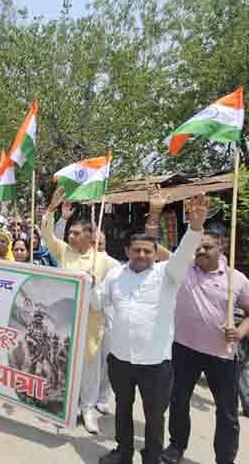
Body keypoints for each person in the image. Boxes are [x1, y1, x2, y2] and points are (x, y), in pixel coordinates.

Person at [138, 190, 249, 464]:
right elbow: (151, 245)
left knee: (227, 413)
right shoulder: (183, 269)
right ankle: (176, 446)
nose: (201, 251)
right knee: (178, 402)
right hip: (183, 349)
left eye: (208, 247)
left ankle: (225, 459)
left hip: (223, 355)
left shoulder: (236, 280)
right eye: (198, 247)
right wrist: (155, 212)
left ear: (222, 247)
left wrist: (240, 332)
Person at [92, 194, 208, 464]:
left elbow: (184, 253)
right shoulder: (114, 275)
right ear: (127, 252)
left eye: (148, 251)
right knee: (122, 408)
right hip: (120, 358)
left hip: (155, 363)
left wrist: (195, 228)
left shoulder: (168, 274)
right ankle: (123, 452)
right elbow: (97, 304)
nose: (142, 255)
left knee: (155, 415)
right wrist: (90, 284)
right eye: (137, 250)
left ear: (156, 254)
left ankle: (152, 456)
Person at [43, 188, 119, 434]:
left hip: (91, 323)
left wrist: (99, 287)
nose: (71, 236)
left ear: (89, 235)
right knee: (66, 365)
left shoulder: (104, 261)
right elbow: (46, 235)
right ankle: (69, 407)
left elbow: (119, 283)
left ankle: (88, 409)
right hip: (65, 321)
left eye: (76, 233)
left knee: (89, 369)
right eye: (70, 232)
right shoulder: (64, 251)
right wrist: (53, 211)